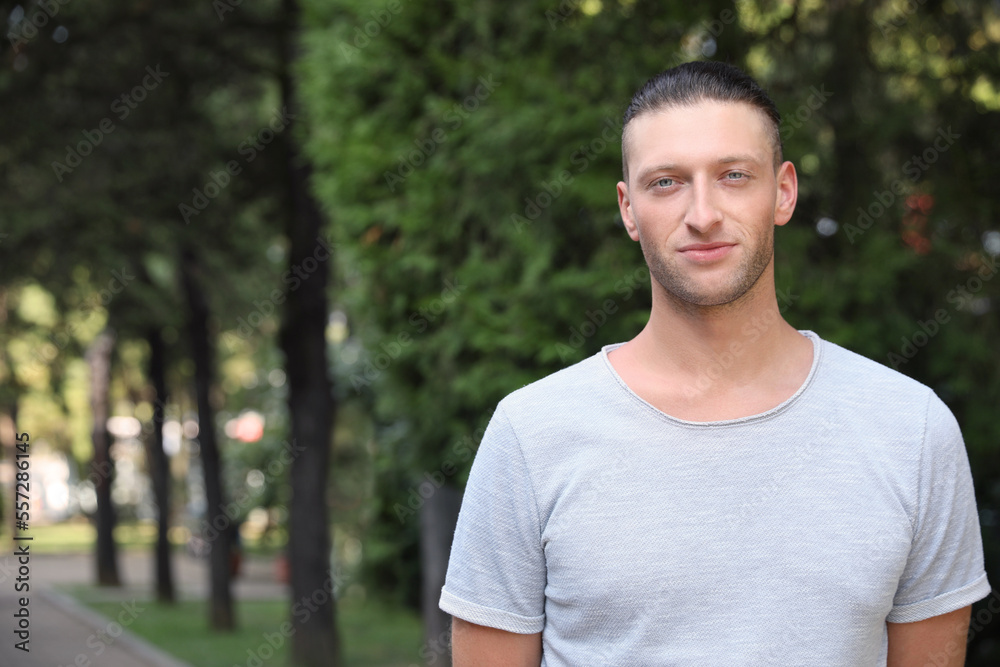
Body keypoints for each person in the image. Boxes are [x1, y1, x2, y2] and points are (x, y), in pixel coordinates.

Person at [439, 61, 991, 666]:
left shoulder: (911, 430)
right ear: (628, 209)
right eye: (666, 183)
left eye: (733, 175)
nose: (702, 213)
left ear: (782, 191)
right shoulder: (531, 434)